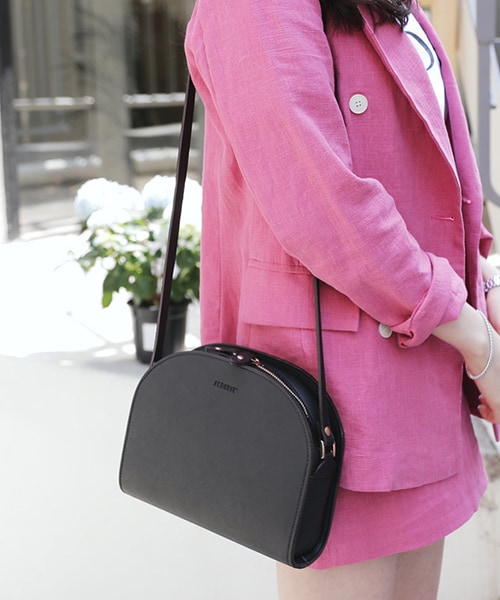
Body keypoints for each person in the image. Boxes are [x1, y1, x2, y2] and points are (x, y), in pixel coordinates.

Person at [184, 0, 500, 597]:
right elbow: (320, 203)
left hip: (423, 366)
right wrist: (477, 340)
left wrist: (482, 286)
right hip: (338, 396)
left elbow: (429, 169)